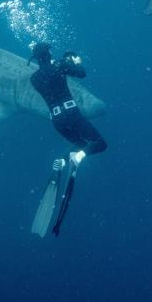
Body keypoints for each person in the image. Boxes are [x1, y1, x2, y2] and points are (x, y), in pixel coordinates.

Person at [28, 42, 107, 237]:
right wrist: (75, 61)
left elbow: (48, 76)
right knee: (99, 144)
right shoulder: (60, 66)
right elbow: (82, 73)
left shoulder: (34, 78)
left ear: (36, 58)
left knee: (81, 144)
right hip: (72, 114)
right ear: (49, 53)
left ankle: (63, 161)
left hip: (57, 121)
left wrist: (60, 63)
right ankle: (78, 157)